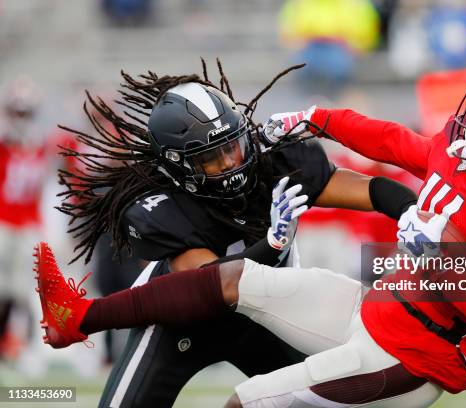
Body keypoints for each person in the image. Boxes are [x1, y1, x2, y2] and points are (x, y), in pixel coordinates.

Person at [35, 64, 466, 407]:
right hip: (365, 311)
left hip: (409, 351)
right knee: (236, 278)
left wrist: (436, 249)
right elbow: (391, 140)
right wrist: (317, 116)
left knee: (248, 402)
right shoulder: (155, 204)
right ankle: (77, 318)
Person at [49, 61, 418, 407]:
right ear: (179, 166)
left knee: (330, 397)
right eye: (212, 157)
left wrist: (411, 210)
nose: (230, 162)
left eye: (233, 146)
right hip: (180, 323)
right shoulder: (161, 206)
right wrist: (271, 245)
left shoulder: (273, 160)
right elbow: (212, 286)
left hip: (264, 316)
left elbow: (366, 189)